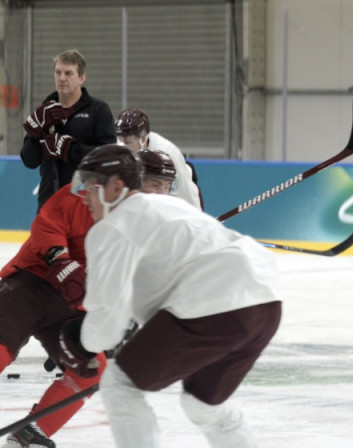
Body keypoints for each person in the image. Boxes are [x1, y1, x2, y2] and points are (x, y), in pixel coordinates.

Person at [57, 144, 281, 448]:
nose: (85, 199)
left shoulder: (114, 226)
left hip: (212, 306)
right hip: (264, 305)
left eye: (92, 188)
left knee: (120, 386)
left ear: (117, 188)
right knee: (204, 404)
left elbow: (104, 326)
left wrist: (81, 344)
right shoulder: (172, 207)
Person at [0, 184, 107, 448]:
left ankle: (31, 432)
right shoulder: (77, 195)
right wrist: (59, 259)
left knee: (91, 367)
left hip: (73, 305)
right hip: (30, 283)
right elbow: (46, 226)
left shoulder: (144, 220)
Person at [19, 49, 116, 211]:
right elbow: (29, 161)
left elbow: (108, 158)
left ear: (82, 77)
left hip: (85, 205)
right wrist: (36, 134)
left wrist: (69, 149)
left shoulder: (98, 110)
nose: (62, 78)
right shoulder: (44, 112)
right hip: (49, 204)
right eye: (58, 73)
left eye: (68, 73)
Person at [115, 107, 204, 209]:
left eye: (129, 142)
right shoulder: (118, 147)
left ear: (143, 138)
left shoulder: (168, 152)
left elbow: (186, 191)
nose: (124, 147)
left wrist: (196, 216)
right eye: (121, 140)